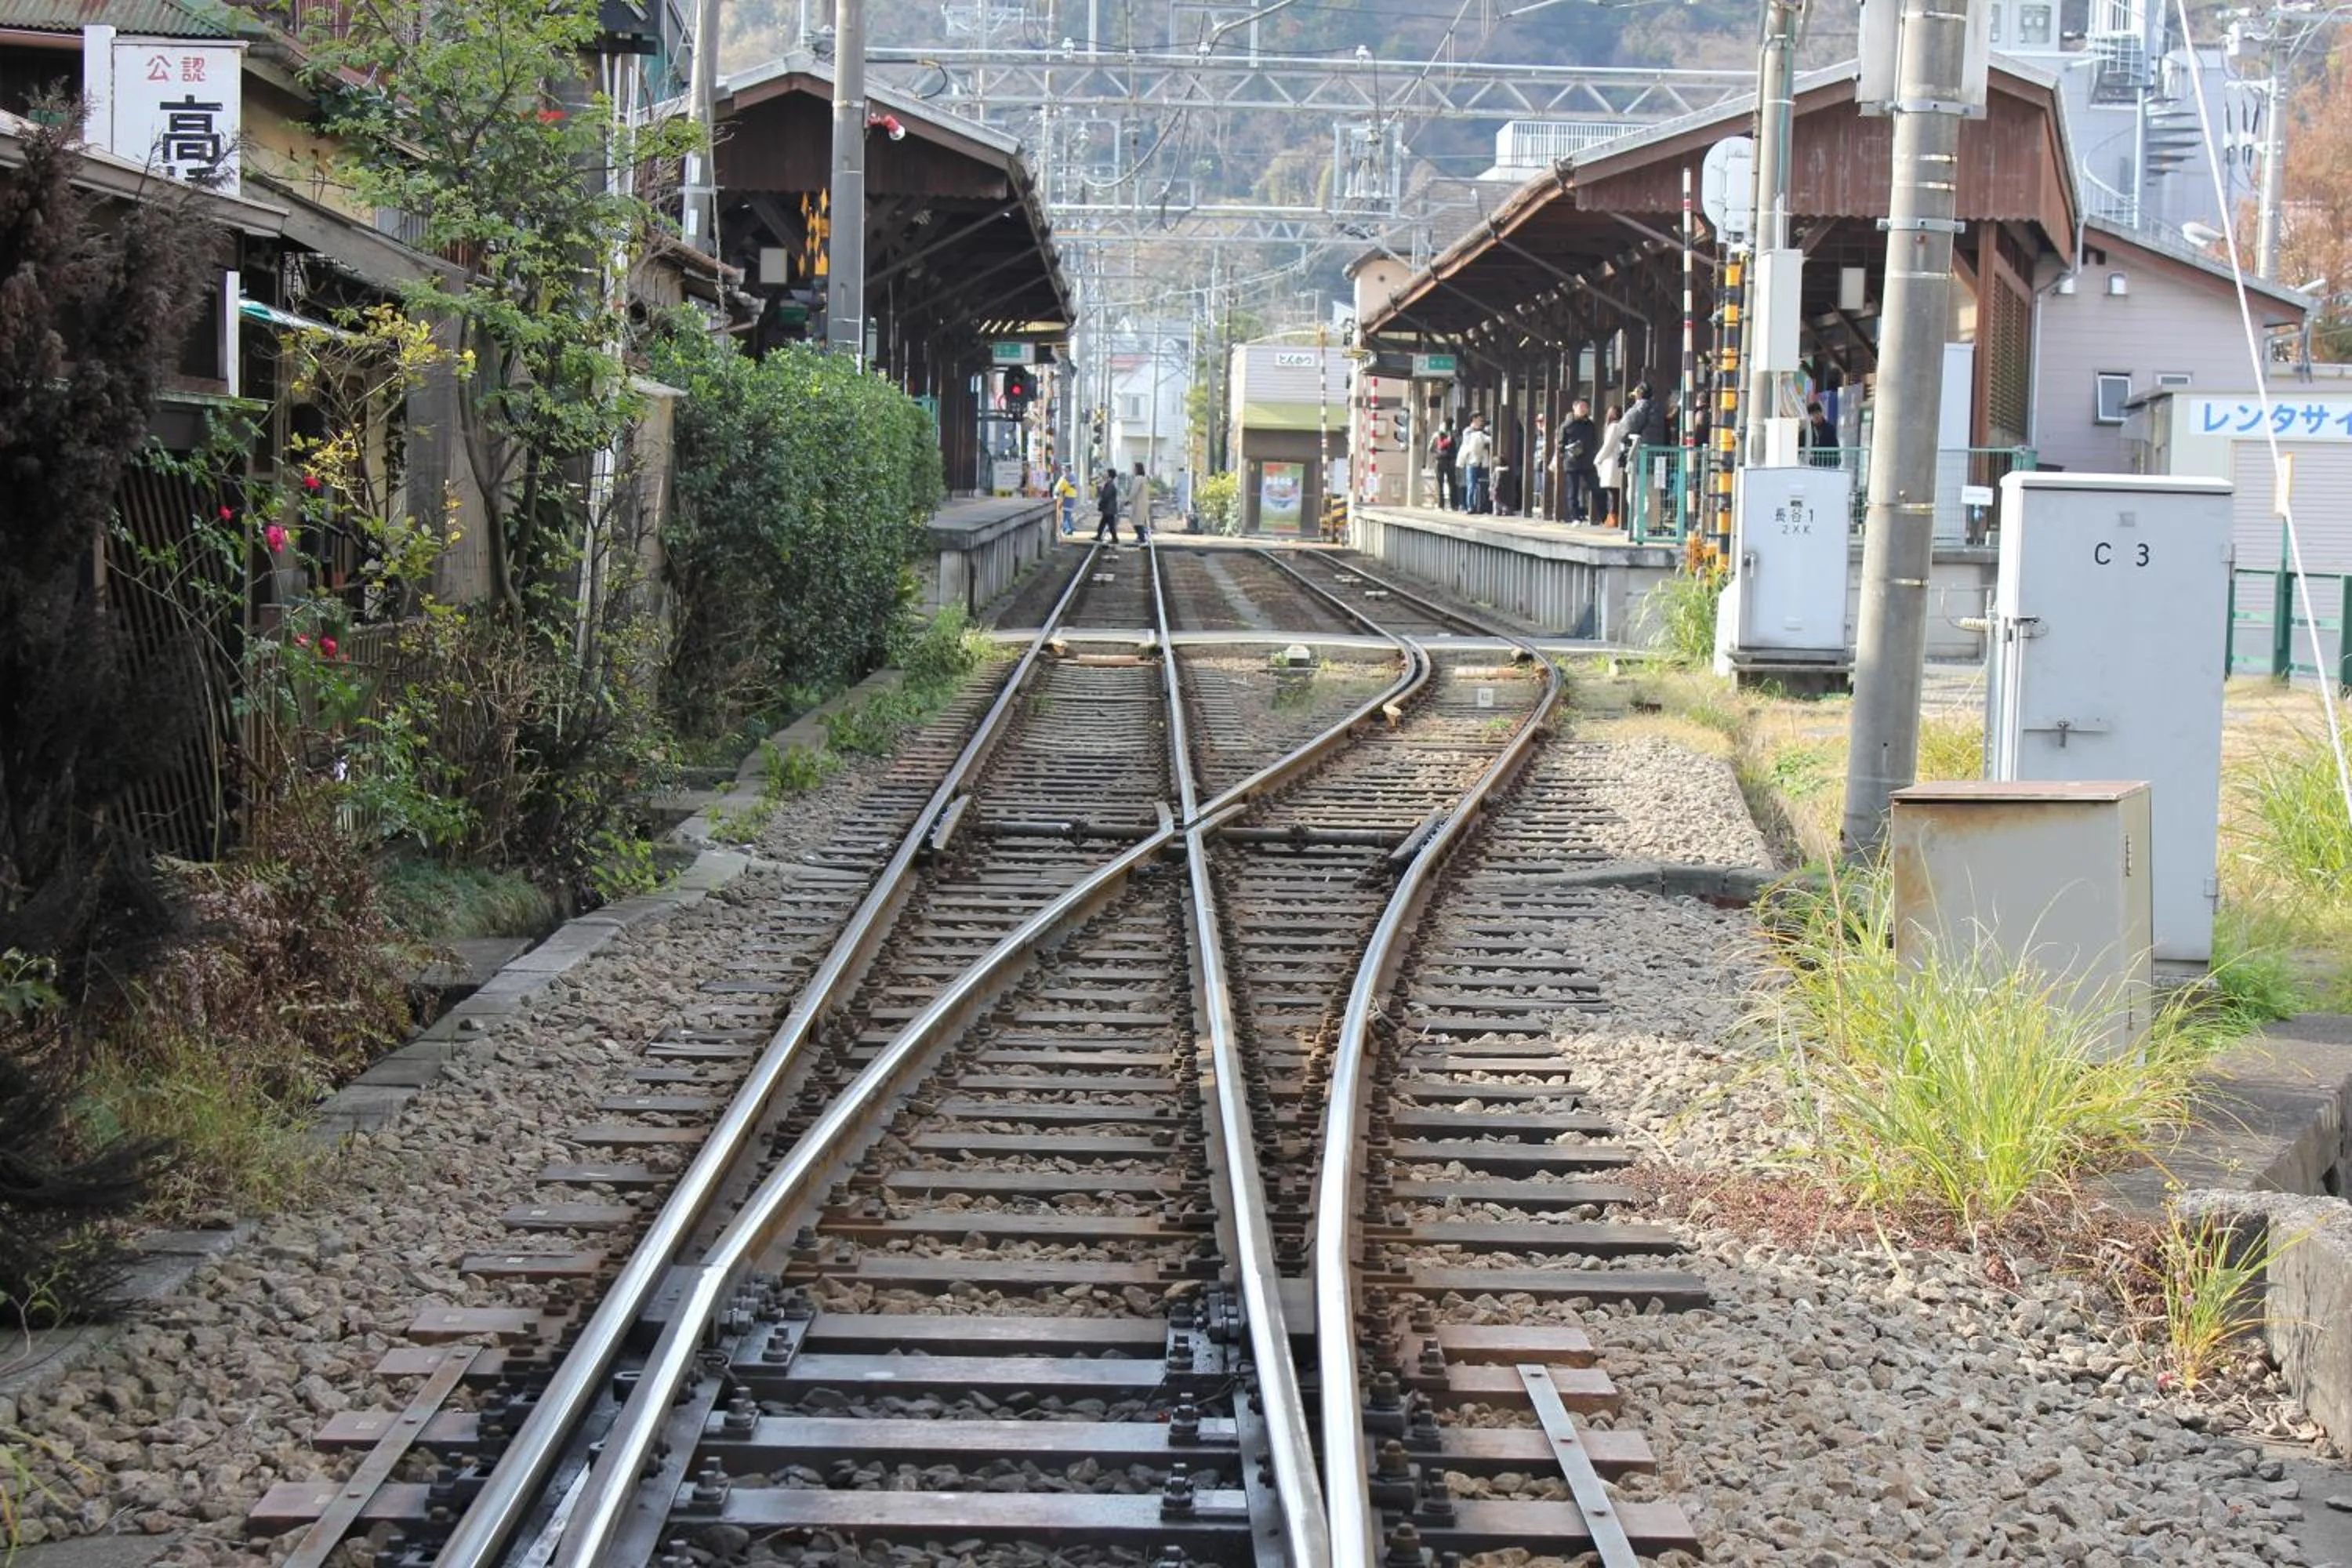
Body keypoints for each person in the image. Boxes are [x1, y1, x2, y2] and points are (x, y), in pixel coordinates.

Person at [1557, 397, 1601, 524]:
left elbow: (1594, 441)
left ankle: (1603, 517)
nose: (1583, 409)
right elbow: (1561, 444)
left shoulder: (1590, 424)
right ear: (1574, 408)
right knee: (1573, 492)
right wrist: (1566, 454)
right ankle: (1575, 517)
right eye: (1581, 407)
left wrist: (1593, 454)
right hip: (1572, 462)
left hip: (1588, 461)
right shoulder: (1567, 424)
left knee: (1597, 489)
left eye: (1585, 407)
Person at [1593, 401, 1628, 529]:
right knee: (1617, 493)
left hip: (1611, 462)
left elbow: (1608, 446)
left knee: (1612, 493)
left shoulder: (1613, 427)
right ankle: (1617, 518)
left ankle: (1613, 519)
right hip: (1619, 462)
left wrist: (1597, 459)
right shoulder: (1624, 425)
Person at [1455, 414, 1494, 514]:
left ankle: (1479, 506)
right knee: (1471, 485)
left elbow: (1489, 441)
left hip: (1483, 462)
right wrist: (1482, 437)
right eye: (1480, 420)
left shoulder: (1483, 432)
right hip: (1471, 461)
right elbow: (1472, 443)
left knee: (1482, 485)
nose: (1481, 423)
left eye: (1482, 421)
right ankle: (1470, 506)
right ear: (1474, 420)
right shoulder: (1468, 431)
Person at [1430, 418, 1459, 510]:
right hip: (1450, 461)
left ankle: (1441, 505)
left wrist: (1437, 454)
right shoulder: (1454, 435)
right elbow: (1457, 446)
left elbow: (1431, 448)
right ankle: (1454, 505)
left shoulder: (1438, 434)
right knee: (1452, 483)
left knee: (1441, 484)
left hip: (1441, 460)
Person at [1123, 462, 1151, 543]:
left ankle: (1142, 539)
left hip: (1138, 504)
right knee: (1139, 522)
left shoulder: (1138, 479)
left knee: (1137, 522)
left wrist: (1128, 500)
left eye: (1134, 468)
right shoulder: (1144, 478)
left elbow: (1134, 491)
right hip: (1142, 503)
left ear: (1137, 469)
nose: (1133, 470)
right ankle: (1140, 537)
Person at [1805, 399, 1837, 465]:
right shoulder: (1807, 430)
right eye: (1812, 414)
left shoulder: (1830, 428)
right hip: (1812, 464)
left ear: (1821, 413)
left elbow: (1835, 446)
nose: (1815, 416)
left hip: (1827, 463)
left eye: (1817, 413)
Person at [1094, 469, 1120, 543]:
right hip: (1108, 508)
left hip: (1109, 508)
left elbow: (1106, 496)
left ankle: (1115, 539)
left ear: (1109, 475)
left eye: (1106, 473)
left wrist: (1100, 492)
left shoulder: (1110, 485)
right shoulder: (1109, 484)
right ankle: (1099, 536)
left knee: (1110, 524)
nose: (1104, 474)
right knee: (1103, 523)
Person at [1054, 466, 1079, 535]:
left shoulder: (1065, 478)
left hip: (1067, 497)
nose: (1063, 472)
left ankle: (1068, 529)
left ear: (1067, 471)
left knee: (1066, 514)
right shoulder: (1072, 477)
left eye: (1064, 470)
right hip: (1071, 497)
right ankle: (1069, 528)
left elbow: (1059, 490)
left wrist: (1056, 493)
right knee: (1068, 514)